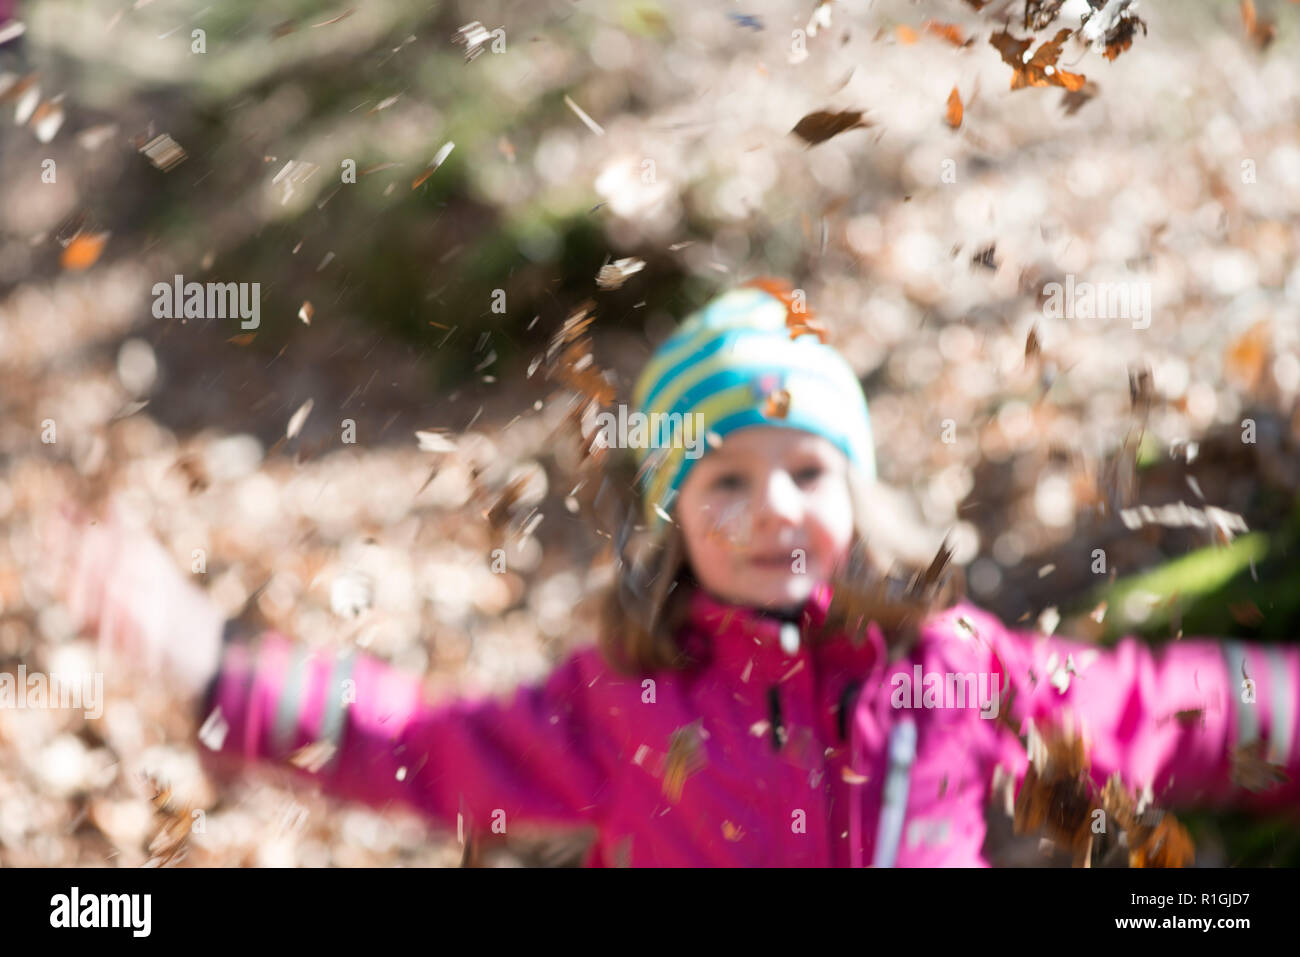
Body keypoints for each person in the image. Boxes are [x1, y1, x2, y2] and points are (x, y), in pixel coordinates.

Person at [41, 280, 1300, 866]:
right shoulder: (627, 703)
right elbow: (426, 747)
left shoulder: (954, 670)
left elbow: (1156, 708)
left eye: (807, 470)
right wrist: (216, 666)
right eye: (726, 482)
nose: (774, 512)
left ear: (853, 489)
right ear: (674, 516)